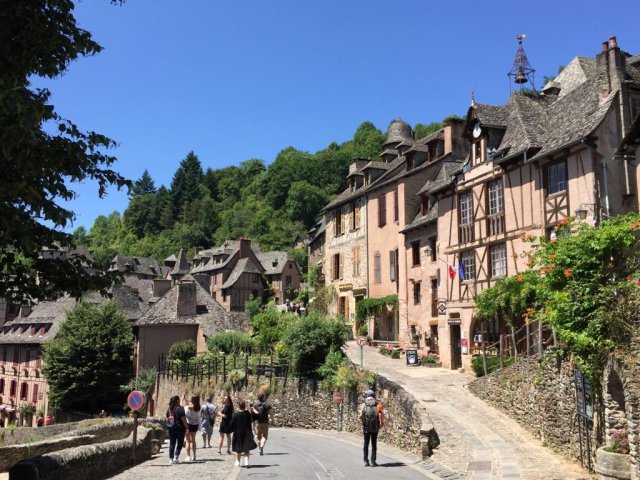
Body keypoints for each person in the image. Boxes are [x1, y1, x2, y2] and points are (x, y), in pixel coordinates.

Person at [359, 389, 383, 467]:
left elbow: (360, 416)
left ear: (367, 396)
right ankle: (373, 461)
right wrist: (381, 423)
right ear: (373, 396)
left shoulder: (364, 404)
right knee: (374, 444)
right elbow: (381, 415)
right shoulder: (377, 404)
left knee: (366, 443)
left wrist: (362, 418)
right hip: (375, 427)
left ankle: (366, 461)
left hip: (366, 427)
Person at [230, 400, 257, 468]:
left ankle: (237, 462)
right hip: (247, 432)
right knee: (246, 448)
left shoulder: (235, 415)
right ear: (244, 406)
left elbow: (231, 425)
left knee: (238, 448)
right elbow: (252, 420)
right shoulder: (247, 413)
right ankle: (246, 462)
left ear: (238, 406)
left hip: (238, 433)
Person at [166, 395, 188, 464]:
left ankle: (170, 459)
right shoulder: (181, 409)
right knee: (180, 443)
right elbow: (184, 420)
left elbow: (167, 418)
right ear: (178, 401)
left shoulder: (169, 409)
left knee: (172, 443)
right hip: (180, 428)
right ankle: (176, 456)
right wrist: (187, 427)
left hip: (171, 428)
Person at [184, 395, 201, 461]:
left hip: (188, 424)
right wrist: (187, 400)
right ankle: (194, 456)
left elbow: (184, 409)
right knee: (193, 440)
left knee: (188, 441)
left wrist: (183, 400)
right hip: (195, 424)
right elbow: (191, 404)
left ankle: (188, 456)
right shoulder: (199, 407)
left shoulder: (188, 407)